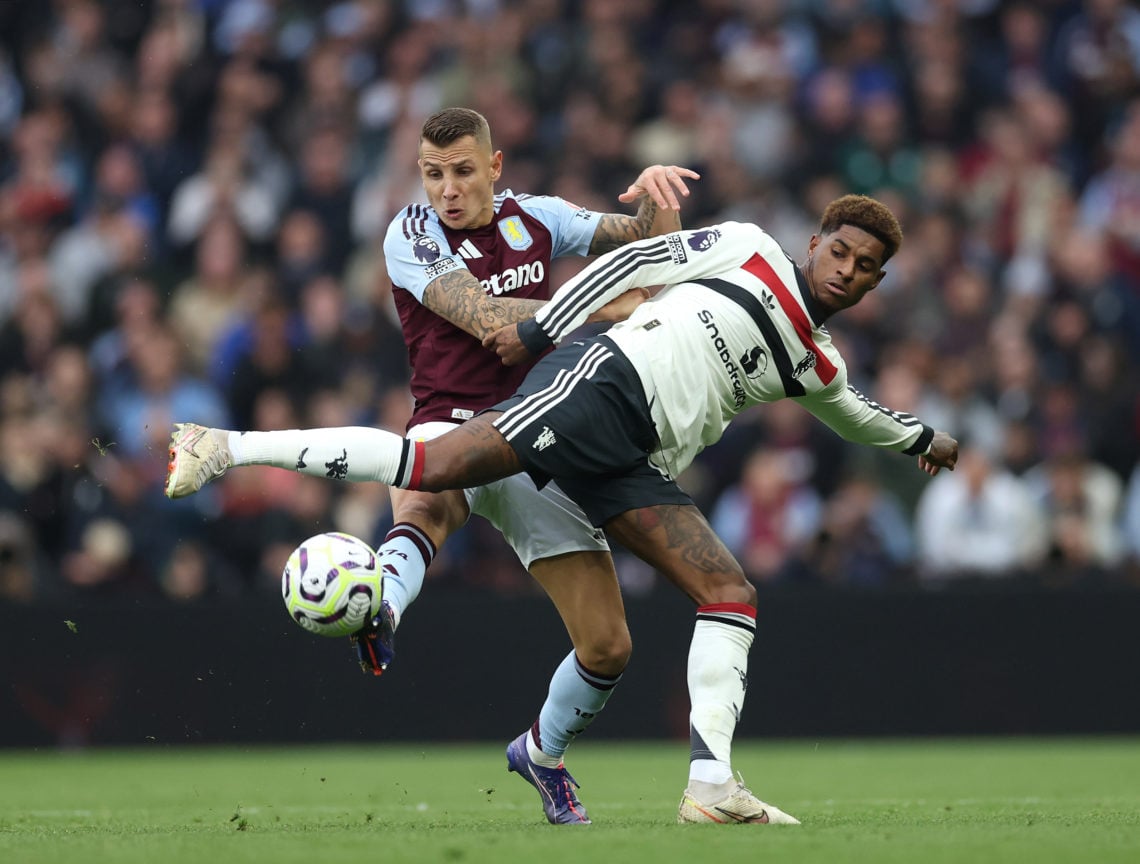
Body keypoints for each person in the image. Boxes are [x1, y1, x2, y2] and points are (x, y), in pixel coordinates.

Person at [167, 193, 959, 825]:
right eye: (841, 251)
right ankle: (226, 447)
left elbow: (857, 412)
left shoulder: (817, 363)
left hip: (632, 462)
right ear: (817, 241)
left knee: (715, 600)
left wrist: (924, 437)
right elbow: (642, 258)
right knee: (437, 466)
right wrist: (544, 324)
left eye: (865, 267)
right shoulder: (747, 247)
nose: (847, 270)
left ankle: (697, 783)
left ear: (876, 283)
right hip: (602, 384)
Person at [167, 107, 700, 826]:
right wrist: (606, 308)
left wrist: (658, 198)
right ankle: (379, 606)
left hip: (536, 438)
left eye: (461, 172)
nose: (446, 190)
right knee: (423, 502)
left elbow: (652, 253)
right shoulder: (409, 235)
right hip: (448, 423)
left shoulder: (538, 218)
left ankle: (542, 753)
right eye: (432, 174)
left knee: (608, 647)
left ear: (496, 167)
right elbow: (488, 319)